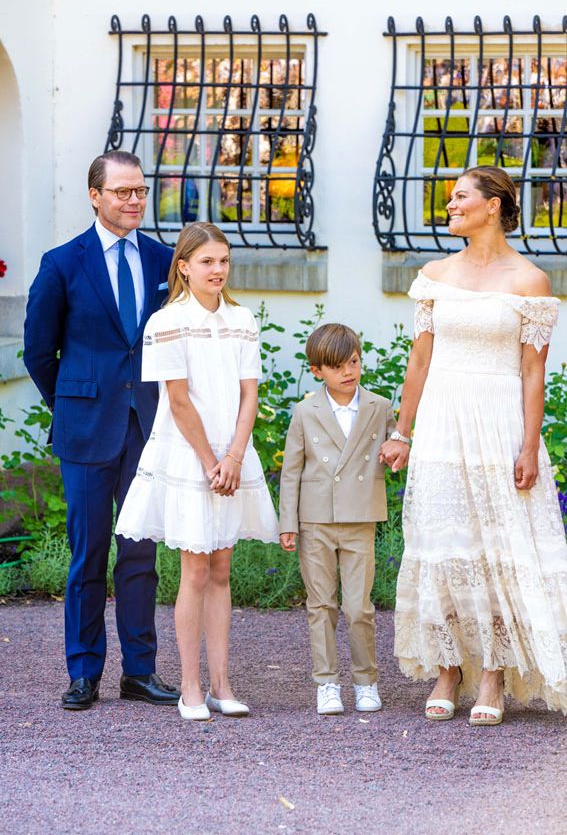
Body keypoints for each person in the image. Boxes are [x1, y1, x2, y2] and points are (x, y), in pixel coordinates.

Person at [380, 165, 567, 725]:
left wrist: (529, 446)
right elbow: (419, 360)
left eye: (461, 197)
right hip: (441, 419)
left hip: (498, 419)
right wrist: (400, 431)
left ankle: (493, 671)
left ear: (493, 205)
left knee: (496, 547)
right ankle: (447, 668)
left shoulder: (530, 281)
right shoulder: (435, 274)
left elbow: (533, 372)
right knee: (441, 540)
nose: (450, 205)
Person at [23, 150, 180, 710]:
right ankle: (84, 671)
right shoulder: (63, 262)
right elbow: (39, 352)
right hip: (86, 429)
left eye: (139, 191)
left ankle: (139, 672)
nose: (134, 200)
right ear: (96, 196)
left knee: (140, 555)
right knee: (87, 553)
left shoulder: (167, 260)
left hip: (149, 427)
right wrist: (72, 401)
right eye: (122, 192)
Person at [115, 221, 279, 721]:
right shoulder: (166, 323)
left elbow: (250, 393)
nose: (219, 270)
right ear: (184, 267)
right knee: (194, 568)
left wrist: (233, 457)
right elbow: (178, 400)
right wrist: (211, 461)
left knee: (223, 569)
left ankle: (222, 684)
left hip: (232, 452)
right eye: (208, 262)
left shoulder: (243, 319)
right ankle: (189, 687)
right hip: (189, 455)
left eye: (224, 261)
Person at [279, 324, 396, 715]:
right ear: (317, 371)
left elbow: (396, 445)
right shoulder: (306, 410)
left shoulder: (379, 407)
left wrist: (400, 447)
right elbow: (292, 470)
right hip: (316, 518)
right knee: (321, 605)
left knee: (359, 607)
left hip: (360, 516)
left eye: (354, 362)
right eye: (338, 366)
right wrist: (288, 523)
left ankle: (366, 680)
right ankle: (327, 683)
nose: (349, 372)